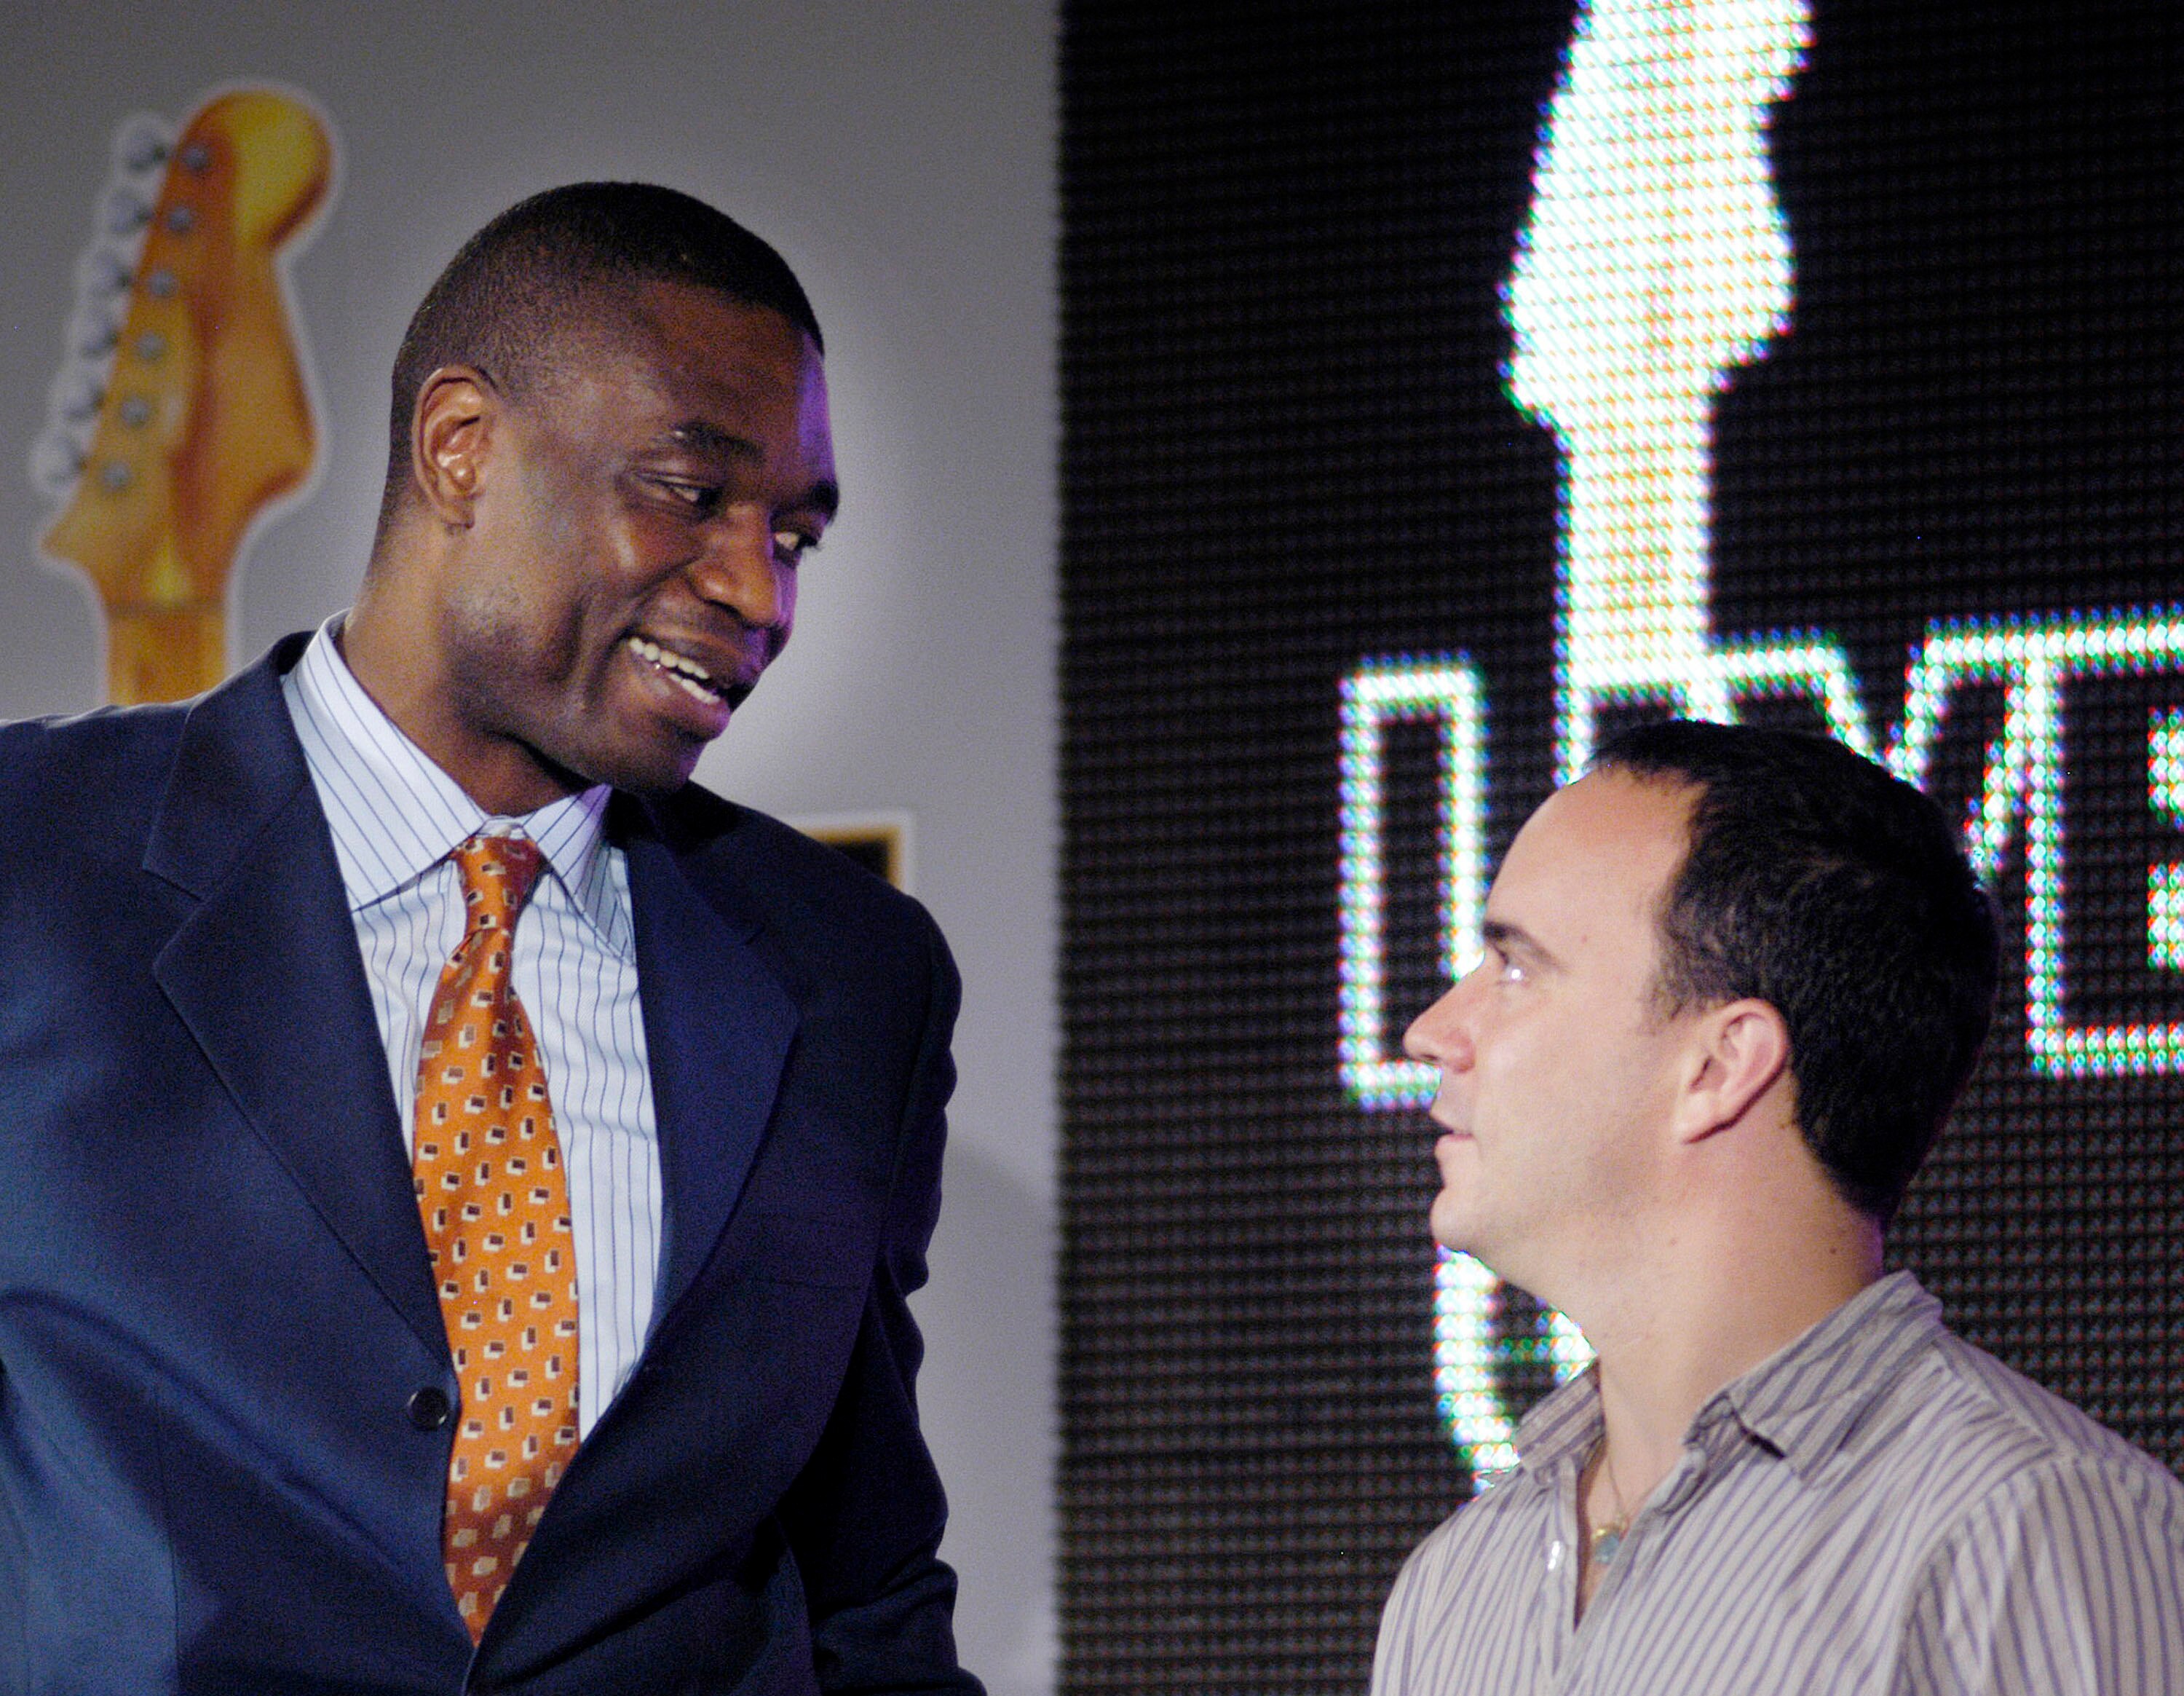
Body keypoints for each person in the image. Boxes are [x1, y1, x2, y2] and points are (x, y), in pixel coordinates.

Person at [0, 183, 984, 1695]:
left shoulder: (851, 974)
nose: (756, 589)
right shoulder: (32, 857)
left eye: (794, 533)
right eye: (691, 493)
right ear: (461, 446)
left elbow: (865, 1581)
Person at [1373, 719, 2184, 1693]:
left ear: (1720, 1065)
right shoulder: (1459, 1584)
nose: (1432, 1030)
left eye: (1515, 966)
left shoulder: (2031, 1528)